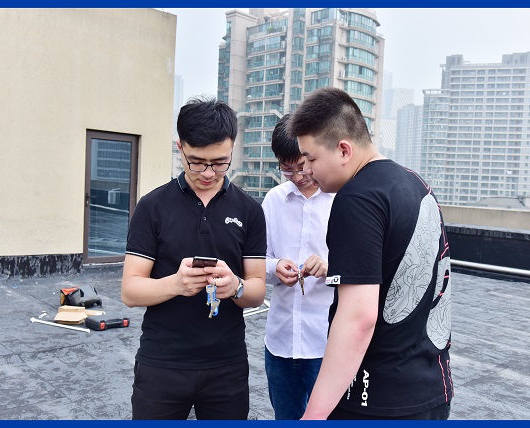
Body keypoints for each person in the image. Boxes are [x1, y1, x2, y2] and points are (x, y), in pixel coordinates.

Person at [287, 87, 453, 420]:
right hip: (432, 390)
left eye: (311, 159)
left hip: (377, 400)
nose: (307, 171)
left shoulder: (357, 199)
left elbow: (358, 319)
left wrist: (313, 415)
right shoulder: (415, 184)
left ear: (344, 149)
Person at [121, 97, 267, 420]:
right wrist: (175, 284)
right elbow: (130, 291)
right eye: (197, 162)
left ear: (232, 148)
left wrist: (236, 286)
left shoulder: (250, 211)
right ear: (180, 147)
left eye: (220, 162)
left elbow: (257, 289)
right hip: (162, 363)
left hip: (227, 365)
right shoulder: (152, 207)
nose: (208, 173)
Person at [261, 114, 335, 420]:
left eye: (301, 166)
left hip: (325, 343)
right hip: (280, 341)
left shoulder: (341, 200)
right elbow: (255, 260)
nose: (296, 176)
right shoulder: (273, 201)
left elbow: (361, 270)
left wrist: (329, 267)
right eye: (286, 169)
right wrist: (275, 267)